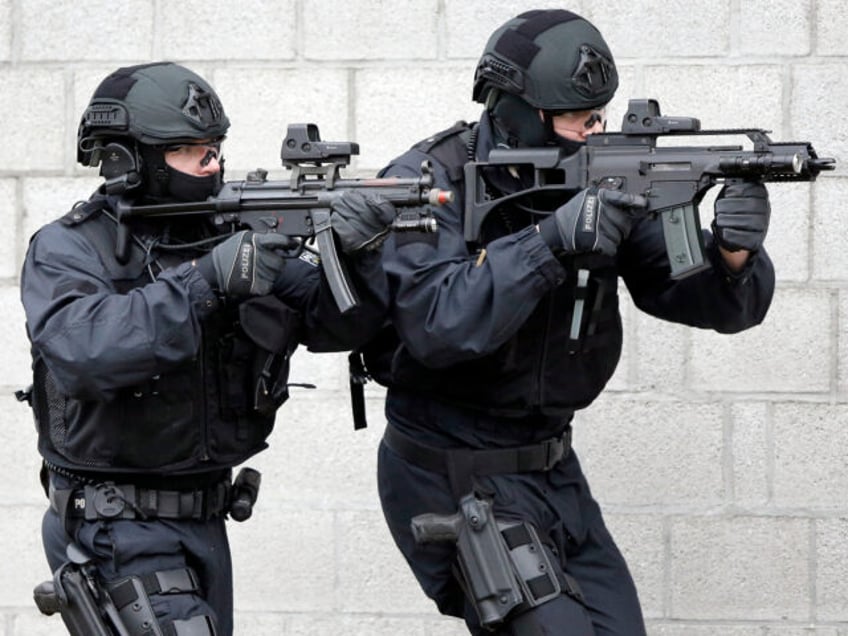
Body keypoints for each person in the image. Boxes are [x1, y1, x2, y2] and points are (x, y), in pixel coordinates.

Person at [352, 9, 774, 635]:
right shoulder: (426, 182)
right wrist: (548, 243)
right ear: (517, 109)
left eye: (600, 115)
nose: (594, 131)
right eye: (579, 118)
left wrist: (733, 257)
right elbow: (438, 325)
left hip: (552, 467)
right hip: (449, 472)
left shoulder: (604, 170)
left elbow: (688, 293)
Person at [19, 62, 392, 636]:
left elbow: (333, 324)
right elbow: (84, 350)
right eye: (190, 151)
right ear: (128, 159)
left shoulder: (223, 231)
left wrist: (358, 255)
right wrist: (206, 282)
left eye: (215, 148)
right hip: (116, 523)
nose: (212, 164)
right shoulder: (69, 247)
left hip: (205, 521)